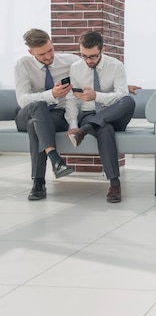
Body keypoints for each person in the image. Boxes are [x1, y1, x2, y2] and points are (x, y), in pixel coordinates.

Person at [64, 31, 136, 203]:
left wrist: (97, 96)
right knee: (104, 128)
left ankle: (86, 131)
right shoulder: (76, 68)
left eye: (93, 56)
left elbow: (121, 94)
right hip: (89, 114)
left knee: (129, 101)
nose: (89, 61)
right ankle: (114, 184)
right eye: (84, 56)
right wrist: (73, 124)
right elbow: (71, 99)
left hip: (114, 113)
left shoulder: (116, 66)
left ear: (102, 49)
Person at [14, 28, 79, 200]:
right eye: (42, 54)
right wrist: (51, 94)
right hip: (26, 113)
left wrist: (122, 87)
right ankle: (54, 157)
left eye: (50, 50)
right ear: (31, 52)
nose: (48, 56)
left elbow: (94, 75)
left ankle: (38, 183)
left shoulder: (70, 61)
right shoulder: (22, 65)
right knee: (38, 106)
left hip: (55, 116)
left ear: (51, 42)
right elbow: (22, 100)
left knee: (34, 126)